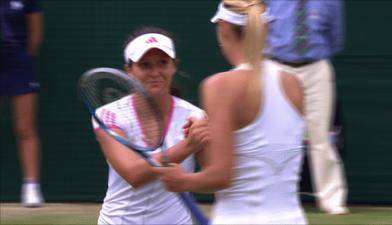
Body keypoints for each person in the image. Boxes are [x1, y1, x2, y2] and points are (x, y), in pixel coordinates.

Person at [155, 1, 308, 224]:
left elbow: (221, 176)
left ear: (224, 28)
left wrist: (182, 181)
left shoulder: (220, 86)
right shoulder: (294, 84)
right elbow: (259, 158)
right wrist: (202, 142)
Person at [92, 26, 208, 225]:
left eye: (163, 63)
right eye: (145, 65)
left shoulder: (196, 116)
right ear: (129, 70)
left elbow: (214, 176)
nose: (155, 72)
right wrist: (188, 146)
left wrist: (188, 181)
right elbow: (134, 174)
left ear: (174, 66)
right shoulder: (107, 115)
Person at [263, 0, 349, 215]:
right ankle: (273, 196)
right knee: (273, 134)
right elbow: (256, 28)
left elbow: (336, 37)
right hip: (276, 64)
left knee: (321, 137)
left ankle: (332, 200)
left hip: (316, 67)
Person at [0, 0, 44, 207]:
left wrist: (23, 59)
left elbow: (35, 33)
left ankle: (31, 187)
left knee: (25, 128)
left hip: (18, 63)